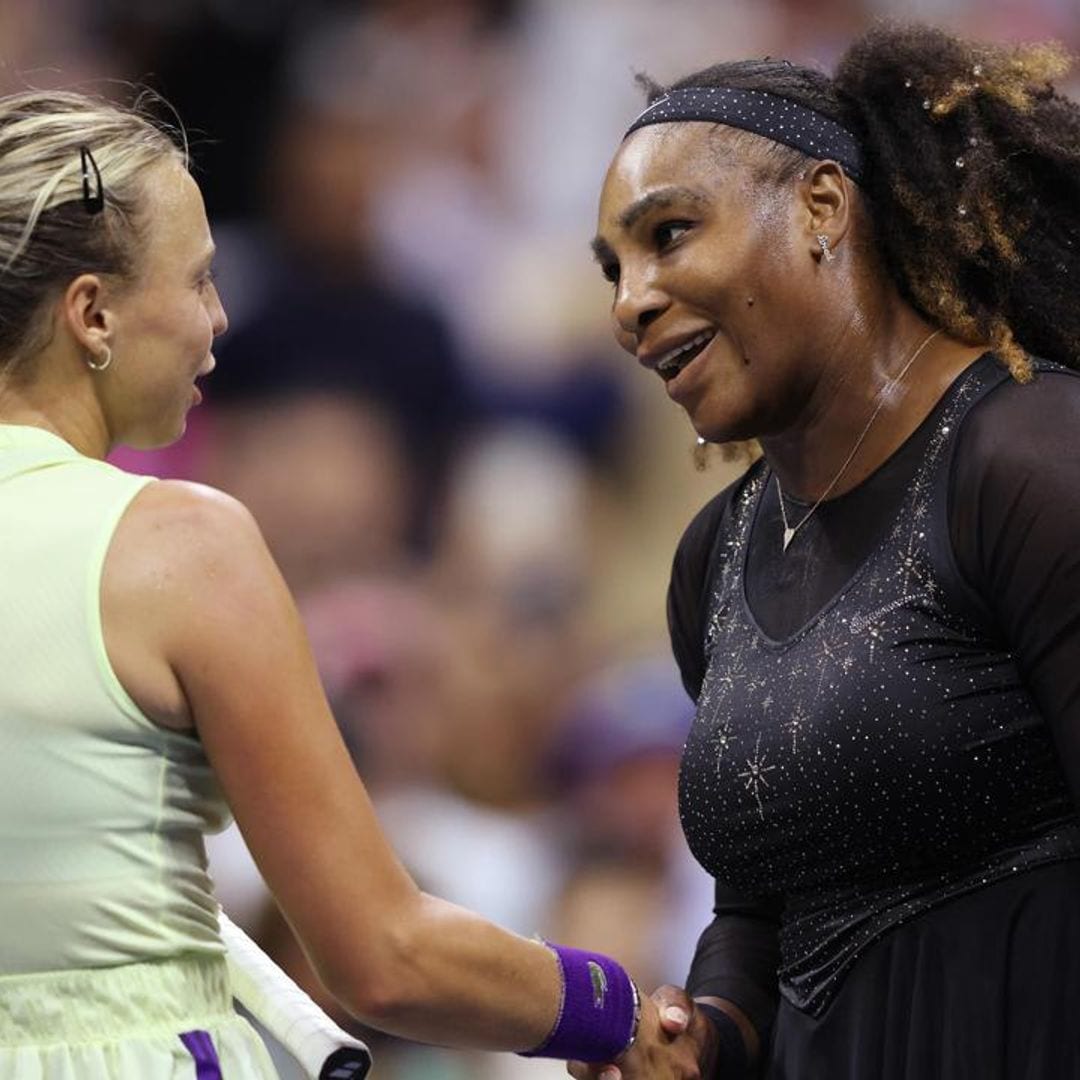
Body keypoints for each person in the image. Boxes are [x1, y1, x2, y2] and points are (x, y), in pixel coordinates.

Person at [0, 89, 690, 1079]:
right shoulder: (180, 545)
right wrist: (620, 1014)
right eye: (198, 281)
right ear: (92, 313)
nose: (219, 319)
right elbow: (383, 956)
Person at [578, 21, 1080, 1080]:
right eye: (613, 269)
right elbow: (761, 916)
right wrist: (703, 1035)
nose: (631, 303)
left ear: (821, 207)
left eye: (667, 234)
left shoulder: (1030, 459)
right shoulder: (713, 558)